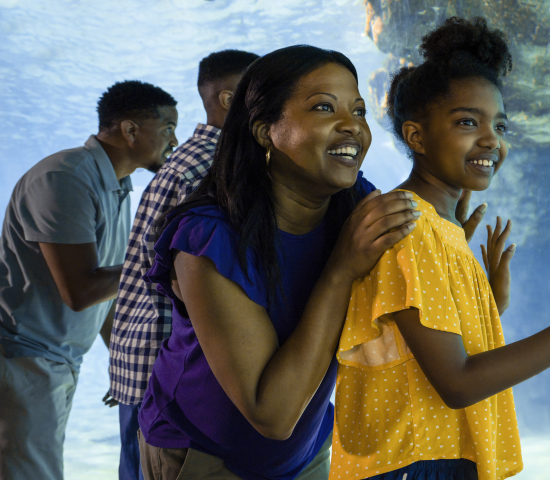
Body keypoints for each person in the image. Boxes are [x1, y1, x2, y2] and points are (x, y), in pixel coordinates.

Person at [331, 17, 550, 480]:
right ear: (417, 136)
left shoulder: (441, 225)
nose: (492, 139)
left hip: (432, 458)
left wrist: (489, 302)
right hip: (414, 465)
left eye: (500, 124)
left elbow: (421, 349)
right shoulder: (410, 228)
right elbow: (456, 383)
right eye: (467, 122)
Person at [135, 44, 486, 480]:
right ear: (265, 131)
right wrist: (341, 270)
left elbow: (409, 336)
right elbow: (272, 415)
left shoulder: (355, 202)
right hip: (207, 456)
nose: (351, 127)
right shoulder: (208, 240)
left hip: (311, 446)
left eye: (358, 111)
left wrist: (456, 278)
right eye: (324, 107)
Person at [0, 80, 178, 480]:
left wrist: (124, 366)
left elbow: (109, 292)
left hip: (53, 362)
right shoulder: (65, 178)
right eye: (167, 127)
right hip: (21, 360)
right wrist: (167, 259)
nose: (175, 140)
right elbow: (81, 290)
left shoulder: (116, 188)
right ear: (130, 131)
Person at [108, 49, 260, 480]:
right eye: (266, 90)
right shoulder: (213, 165)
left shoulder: (192, 158)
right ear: (230, 100)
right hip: (164, 366)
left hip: (145, 357)